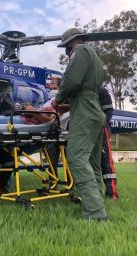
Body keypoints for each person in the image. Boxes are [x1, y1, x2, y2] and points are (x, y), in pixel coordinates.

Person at [51, 28, 108, 221]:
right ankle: (97, 201)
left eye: (66, 48)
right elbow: (86, 90)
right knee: (93, 162)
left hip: (85, 113)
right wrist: (67, 105)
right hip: (94, 111)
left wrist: (57, 99)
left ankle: (94, 212)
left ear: (70, 43)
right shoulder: (95, 57)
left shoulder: (80, 51)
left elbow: (72, 81)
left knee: (75, 158)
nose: (67, 52)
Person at [98, 86, 119, 200]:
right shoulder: (79, 89)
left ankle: (112, 193)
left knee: (106, 163)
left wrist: (99, 125)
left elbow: (109, 112)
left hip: (101, 130)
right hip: (84, 131)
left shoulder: (101, 90)